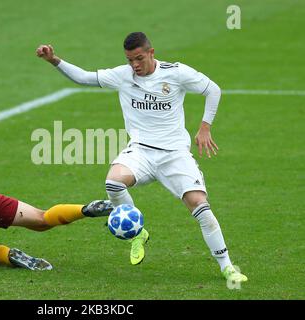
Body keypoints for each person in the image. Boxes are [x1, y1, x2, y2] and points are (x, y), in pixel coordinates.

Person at [36, 32, 248, 282]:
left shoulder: (176, 72)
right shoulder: (123, 76)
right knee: (113, 181)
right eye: (129, 60)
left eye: (139, 58)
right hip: (140, 151)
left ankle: (227, 267)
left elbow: (213, 90)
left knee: (201, 207)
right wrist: (53, 60)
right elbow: (84, 78)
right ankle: (138, 233)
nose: (135, 65)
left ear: (151, 52)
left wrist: (205, 127)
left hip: (174, 155)